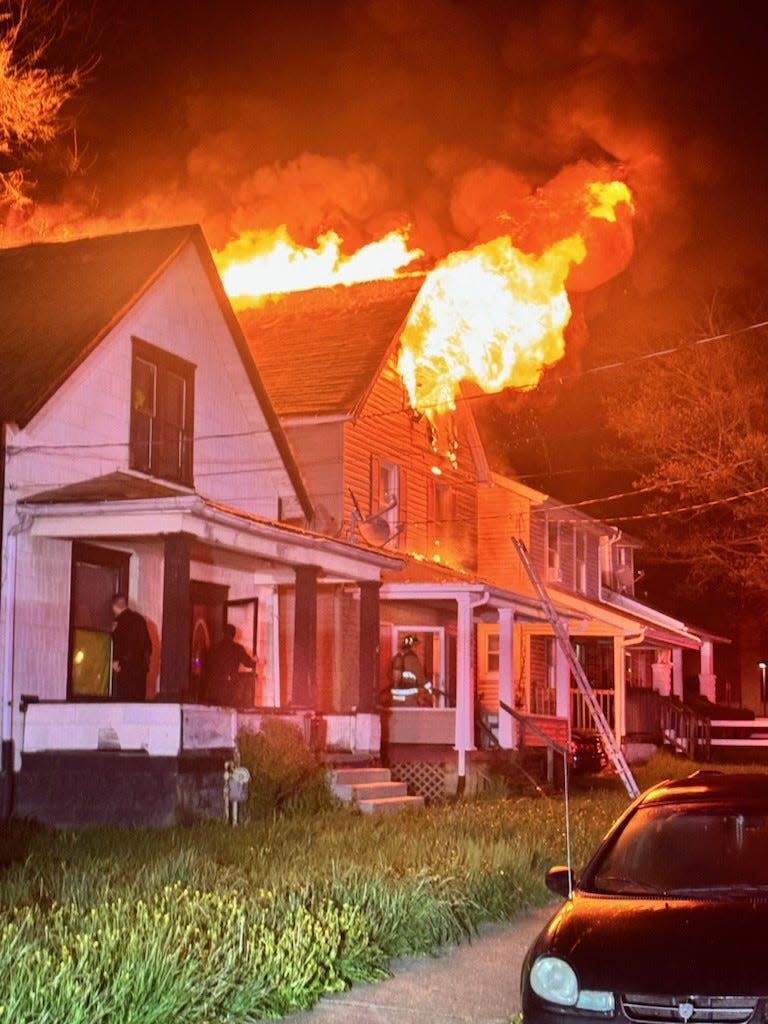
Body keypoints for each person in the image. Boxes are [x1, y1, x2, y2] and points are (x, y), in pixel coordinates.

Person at [111, 594, 152, 701]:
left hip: (126, 672)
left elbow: (119, 645)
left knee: (125, 705)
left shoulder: (119, 622)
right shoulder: (140, 620)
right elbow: (148, 646)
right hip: (140, 673)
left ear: (115, 607)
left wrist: (119, 662)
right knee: (138, 706)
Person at [206, 623, 256, 705]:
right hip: (231, 686)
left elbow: (208, 666)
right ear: (234, 635)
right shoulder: (238, 648)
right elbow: (249, 663)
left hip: (216, 686)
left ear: (223, 633)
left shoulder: (214, 648)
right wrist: (254, 660)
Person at [389, 634, 433, 706]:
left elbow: (388, 675)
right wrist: (430, 690)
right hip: (409, 697)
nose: (417, 648)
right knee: (411, 715)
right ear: (412, 647)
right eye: (416, 646)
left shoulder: (395, 658)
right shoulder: (413, 660)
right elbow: (421, 679)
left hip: (395, 696)